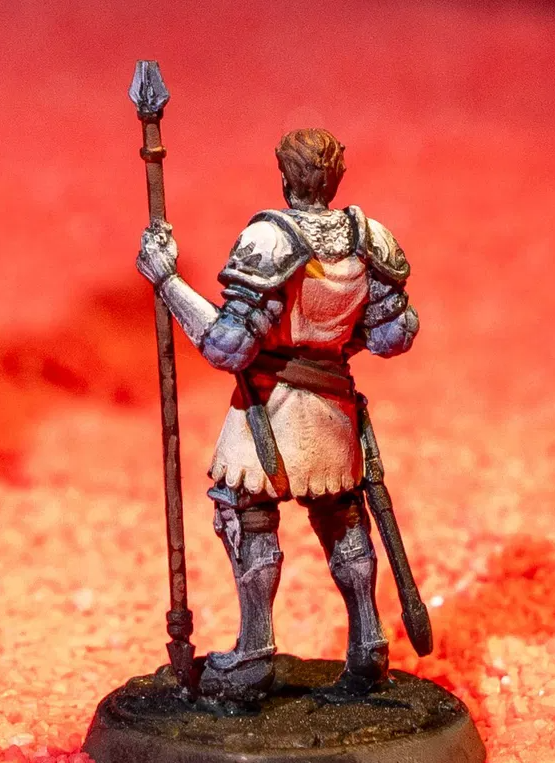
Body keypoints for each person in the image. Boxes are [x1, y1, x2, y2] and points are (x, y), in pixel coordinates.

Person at [137, 128, 419, 699]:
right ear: (337, 178)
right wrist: (334, 339)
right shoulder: (371, 238)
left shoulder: (270, 240)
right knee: (342, 516)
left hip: (270, 407)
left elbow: (228, 347)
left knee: (247, 511)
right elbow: (393, 335)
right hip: (334, 408)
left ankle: (254, 654)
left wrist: (167, 281)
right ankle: (367, 645)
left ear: (286, 178)